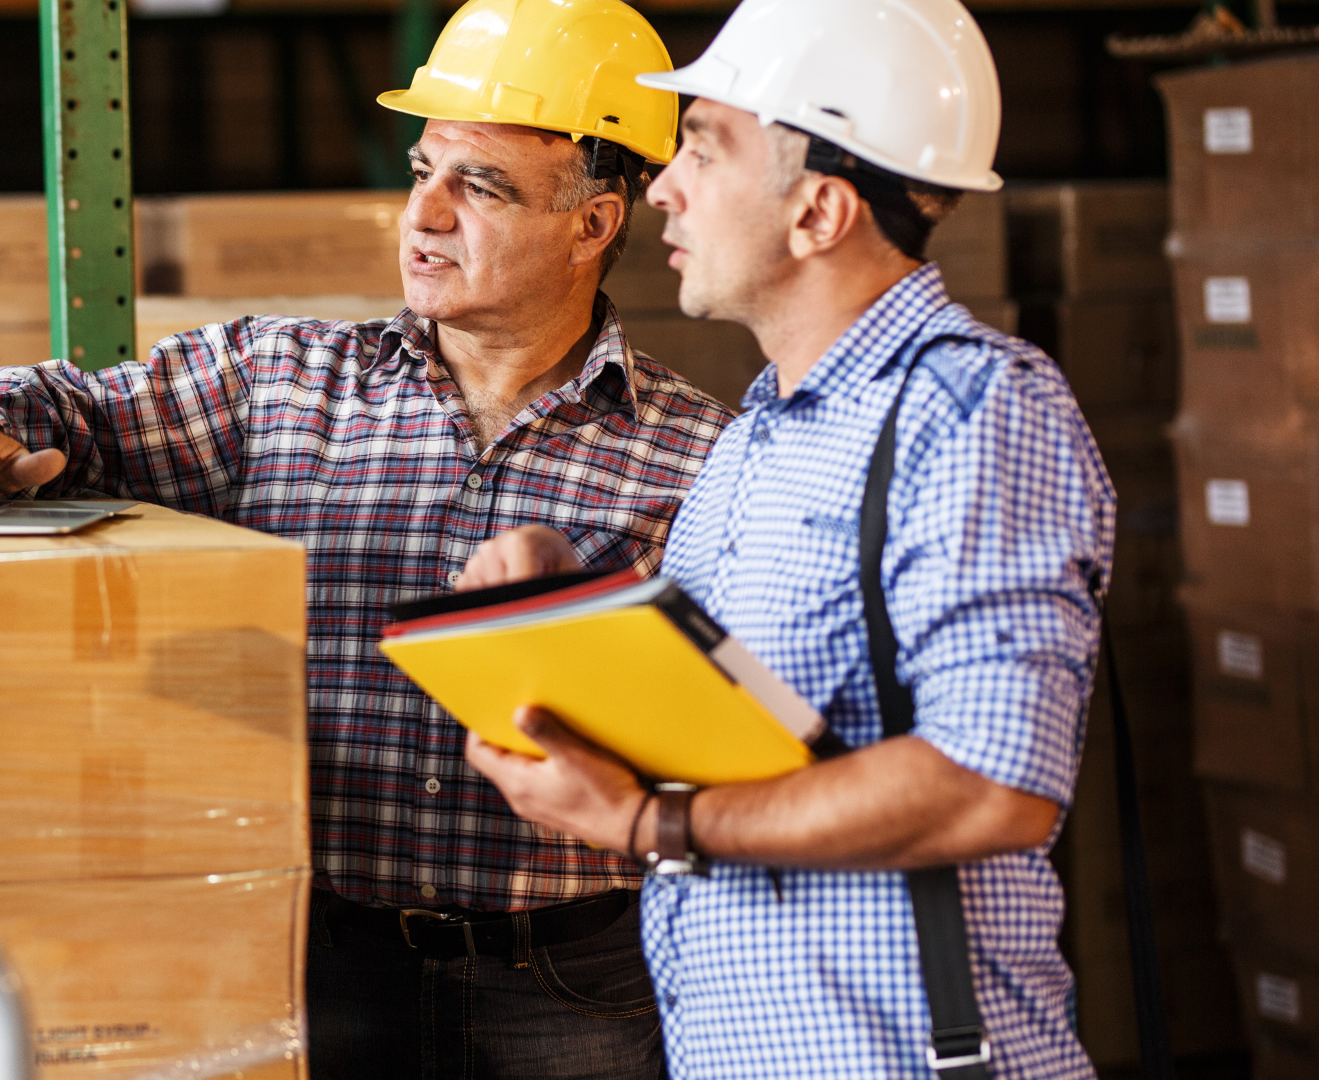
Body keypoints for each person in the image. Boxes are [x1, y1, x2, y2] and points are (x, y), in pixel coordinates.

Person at [0, 0, 734, 1073]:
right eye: (422, 171)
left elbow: (724, 737)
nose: (426, 215)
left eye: (481, 186)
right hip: (319, 957)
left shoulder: (700, 454)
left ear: (593, 224)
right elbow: (65, 403)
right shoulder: (279, 381)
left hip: (571, 974)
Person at [462, 0, 1114, 1076]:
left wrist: (651, 826)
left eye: (705, 148)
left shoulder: (974, 410)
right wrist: (560, 613)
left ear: (818, 211)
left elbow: (992, 783)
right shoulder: (756, 436)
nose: (660, 186)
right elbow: (735, 717)